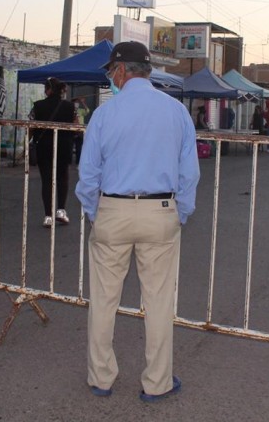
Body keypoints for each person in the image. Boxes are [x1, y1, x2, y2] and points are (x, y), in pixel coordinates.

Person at [76, 41, 200, 402]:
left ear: (120, 71)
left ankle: (101, 378)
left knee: (103, 300)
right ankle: (157, 382)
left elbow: (88, 175)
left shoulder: (104, 114)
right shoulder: (176, 112)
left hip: (113, 211)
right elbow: (189, 173)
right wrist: (180, 213)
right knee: (159, 301)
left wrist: (94, 212)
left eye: (111, 71)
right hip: (160, 212)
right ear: (146, 70)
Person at [30, 77, 76, 227]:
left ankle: (48, 216)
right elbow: (77, 127)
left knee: (47, 181)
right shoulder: (70, 107)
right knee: (63, 179)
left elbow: (30, 127)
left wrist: (27, 144)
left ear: (49, 90)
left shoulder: (37, 106)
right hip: (64, 147)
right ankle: (61, 211)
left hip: (44, 148)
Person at [72, 96, 90, 165]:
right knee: (70, 146)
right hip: (71, 130)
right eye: (75, 102)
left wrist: (83, 102)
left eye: (78, 102)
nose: (77, 104)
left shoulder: (80, 110)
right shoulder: (70, 110)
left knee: (78, 146)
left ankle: (78, 161)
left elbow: (87, 111)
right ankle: (69, 161)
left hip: (80, 130)